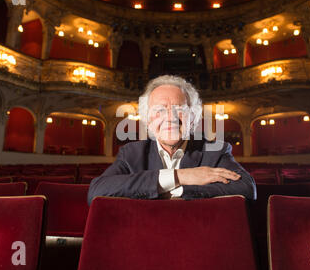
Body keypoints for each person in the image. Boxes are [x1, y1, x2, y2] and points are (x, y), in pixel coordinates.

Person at [87, 75, 256, 204]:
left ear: (193, 118)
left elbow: (247, 188)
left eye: (180, 109)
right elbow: (97, 190)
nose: (170, 117)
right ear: (148, 119)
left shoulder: (215, 151)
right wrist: (179, 176)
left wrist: (179, 190)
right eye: (159, 110)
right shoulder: (131, 153)